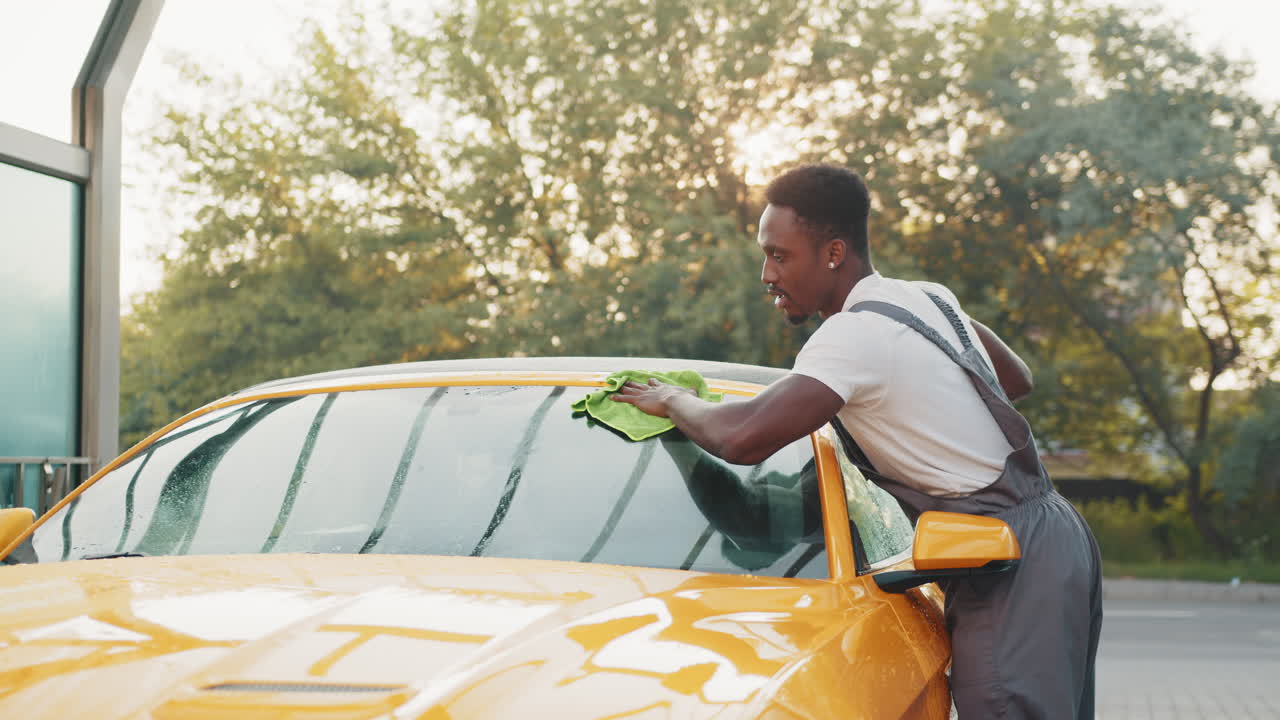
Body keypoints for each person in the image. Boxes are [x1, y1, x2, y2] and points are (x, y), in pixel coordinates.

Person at [612, 163, 1102, 719]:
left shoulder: (851, 334)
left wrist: (675, 401)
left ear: (834, 253)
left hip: (1006, 562)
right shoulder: (927, 298)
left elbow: (741, 439)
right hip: (1059, 542)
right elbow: (1016, 379)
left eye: (779, 255)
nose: (766, 274)